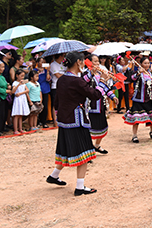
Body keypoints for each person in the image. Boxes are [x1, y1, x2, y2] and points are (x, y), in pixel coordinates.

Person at [46, 51, 110, 196]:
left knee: (65, 149)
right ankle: (80, 187)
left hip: (64, 120)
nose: (83, 64)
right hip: (76, 121)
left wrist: (92, 74)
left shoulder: (62, 79)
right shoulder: (76, 81)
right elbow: (94, 95)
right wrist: (104, 82)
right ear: (78, 63)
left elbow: (75, 89)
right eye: (82, 61)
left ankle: (54, 176)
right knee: (84, 153)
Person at [123, 57, 152, 143]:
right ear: (141, 64)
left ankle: (151, 131)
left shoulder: (150, 74)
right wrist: (138, 73)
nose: (147, 65)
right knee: (136, 119)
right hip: (138, 99)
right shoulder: (138, 73)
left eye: (148, 63)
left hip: (148, 99)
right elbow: (130, 79)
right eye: (145, 63)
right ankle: (134, 135)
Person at [85, 56, 118, 153]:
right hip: (91, 106)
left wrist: (112, 96)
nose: (97, 64)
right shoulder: (86, 74)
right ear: (89, 63)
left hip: (101, 105)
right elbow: (85, 85)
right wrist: (91, 73)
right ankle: (88, 149)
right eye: (95, 61)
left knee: (102, 125)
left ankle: (97, 145)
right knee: (90, 128)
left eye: (98, 62)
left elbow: (105, 87)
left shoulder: (100, 74)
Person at [11, 69, 31, 134]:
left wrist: (21, 93)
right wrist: (18, 85)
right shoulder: (15, 83)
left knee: (20, 114)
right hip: (17, 99)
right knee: (16, 114)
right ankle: (15, 129)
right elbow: (13, 91)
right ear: (17, 75)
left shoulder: (24, 83)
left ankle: (20, 128)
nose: (22, 77)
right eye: (21, 76)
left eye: (23, 76)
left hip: (22, 98)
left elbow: (27, 90)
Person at [49, 54, 66, 127]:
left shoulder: (63, 64)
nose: (63, 58)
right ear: (59, 56)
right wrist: (65, 75)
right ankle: (55, 120)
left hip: (64, 86)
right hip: (55, 86)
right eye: (63, 56)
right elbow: (57, 75)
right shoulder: (53, 65)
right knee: (55, 104)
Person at [36, 58, 52, 128]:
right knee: (38, 106)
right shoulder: (35, 70)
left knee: (45, 106)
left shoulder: (46, 71)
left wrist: (48, 71)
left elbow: (48, 79)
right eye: (41, 61)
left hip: (45, 89)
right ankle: (37, 121)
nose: (42, 63)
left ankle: (44, 121)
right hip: (37, 90)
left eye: (44, 62)